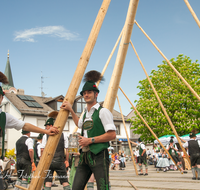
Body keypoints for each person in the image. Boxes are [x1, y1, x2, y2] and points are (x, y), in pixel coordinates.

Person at [0, 72, 59, 189]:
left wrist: (46, 131)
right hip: (26, 161)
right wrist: (32, 160)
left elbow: (25, 125)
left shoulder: (4, 117)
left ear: (2, 98)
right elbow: (31, 150)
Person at [60, 70, 116, 190]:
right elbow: (79, 124)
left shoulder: (103, 112)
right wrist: (71, 110)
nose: (86, 95)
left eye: (89, 92)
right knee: (75, 187)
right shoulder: (85, 113)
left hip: (100, 155)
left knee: (103, 188)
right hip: (84, 155)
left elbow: (112, 135)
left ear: (96, 94)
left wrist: (90, 140)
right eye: (84, 93)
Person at [41, 115, 70, 190]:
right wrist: (67, 160)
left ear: (51, 125)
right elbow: (67, 150)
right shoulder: (64, 135)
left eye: (47, 126)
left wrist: (42, 160)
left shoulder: (45, 136)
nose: (46, 128)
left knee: (48, 182)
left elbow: (42, 149)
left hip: (48, 161)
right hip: (60, 161)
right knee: (65, 181)